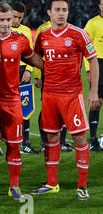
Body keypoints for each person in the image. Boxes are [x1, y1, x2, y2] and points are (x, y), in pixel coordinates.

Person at [31, 0, 99, 200]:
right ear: (49, 13)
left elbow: (93, 60)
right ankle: (52, 183)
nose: (61, 14)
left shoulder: (79, 34)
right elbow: (36, 57)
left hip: (72, 95)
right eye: (57, 10)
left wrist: (93, 90)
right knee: (51, 138)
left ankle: (82, 186)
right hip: (50, 95)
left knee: (79, 138)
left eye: (65, 10)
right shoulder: (42, 35)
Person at [0, 1, 44, 200]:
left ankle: (14, 186)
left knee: (14, 145)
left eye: (8, 20)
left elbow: (32, 58)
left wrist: (53, 67)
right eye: (1, 20)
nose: (6, 24)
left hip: (13, 101)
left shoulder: (21, 39)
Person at [33, 21, 72, 153]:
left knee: (65, 108)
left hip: (66, 76)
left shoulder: (70, 29)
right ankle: (44, 142)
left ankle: (61, 142)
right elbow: (37, 54)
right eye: (57, 9)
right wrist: (38, 75)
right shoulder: (43, 29)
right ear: (50, 12)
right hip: (48, 74)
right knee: (46, 108)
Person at [11, 2, 39, 154]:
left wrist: (29, 70)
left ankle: (25, 143)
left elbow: (31, 53)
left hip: (23, 72)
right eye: (14, 17)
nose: (16, 20)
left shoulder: (27, 31)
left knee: (25, 108)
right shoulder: (2, 28)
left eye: (19, 18)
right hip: (7, 72)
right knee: (2, 108)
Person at [84, 0, 103, 152]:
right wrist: (89, 69)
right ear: (99, 5)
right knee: (96, 102)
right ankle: (94, 139)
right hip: (98, 64)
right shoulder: (92, 23)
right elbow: (85, 47)